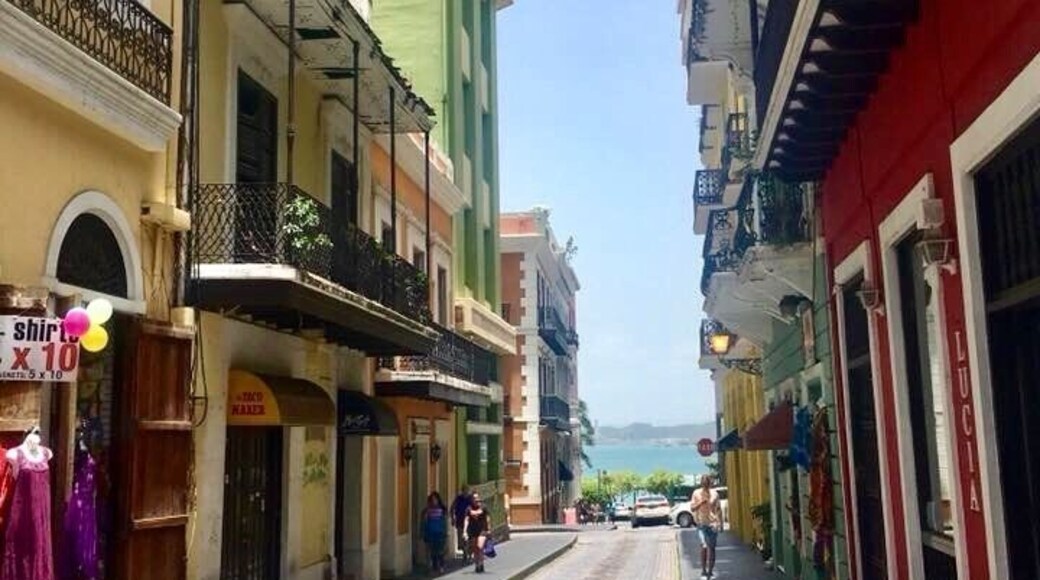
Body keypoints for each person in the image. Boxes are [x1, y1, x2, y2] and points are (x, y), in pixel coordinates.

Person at [691, 474, 722, 579]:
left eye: (707, 484)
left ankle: (710, 571)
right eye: (704, 484)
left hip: (713, 524)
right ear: (701, 484)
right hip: (701, 524)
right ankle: (703, 570)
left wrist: (720, 523)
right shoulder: (696, 493)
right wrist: (701, 502)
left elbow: (718, 509)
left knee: (712, 548)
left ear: (710, 483)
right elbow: (692, 508)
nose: (705, 486)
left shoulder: (715, 494)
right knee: (703, 546)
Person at [462, 493, 490, 573]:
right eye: (474, 498)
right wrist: (464, 531)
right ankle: (477, 565)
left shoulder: (483, 507)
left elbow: (487, 517)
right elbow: (466, 520)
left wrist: (489, 529)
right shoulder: (468, 508)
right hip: (473, 530)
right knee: (475, 548)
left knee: (480, 546)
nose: (476, 500)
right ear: (472, 499)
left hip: (482, 530)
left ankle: (481, 563)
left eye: (477, 498)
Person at [421, 491, 449, 574]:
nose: (434, 501)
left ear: (438, 500)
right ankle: (433, 566)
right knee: (431, 551)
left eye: (435, 499)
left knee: (440, 551)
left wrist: (446, 532)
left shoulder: (442, 510)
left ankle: (441, 566)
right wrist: (422, 532)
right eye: (432, 499)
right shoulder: (426, 510)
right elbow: (423, 522)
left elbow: (444, 522)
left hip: (440, 533)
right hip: (430, 533)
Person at [450, 485, 472, 562]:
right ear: (462, 491)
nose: (465, 492)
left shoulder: (470, 499)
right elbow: (452, 508)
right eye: (464, 490)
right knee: (461, 538)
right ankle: (465, 553)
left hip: (469, 521)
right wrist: (453, 518)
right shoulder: (458, 499)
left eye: (467, 490)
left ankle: (468, 554)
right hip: (460, 521)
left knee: (468, 538)